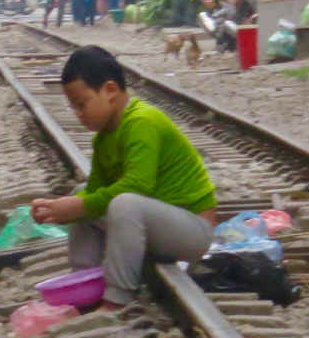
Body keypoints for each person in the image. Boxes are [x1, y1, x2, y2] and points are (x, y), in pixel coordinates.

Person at [30, 47, 217, 308]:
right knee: (82, 194)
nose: (78, 114)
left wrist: (81, 206)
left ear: (110, 90)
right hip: (157, 224)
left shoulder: (142, 122)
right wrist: (57, 208)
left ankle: (116, 300)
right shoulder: (104, 138)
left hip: (192, 230)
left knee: (123, 203)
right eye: (73, 107)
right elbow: (95, 191)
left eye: (82, 104)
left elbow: (138, 186)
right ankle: (84, 285)